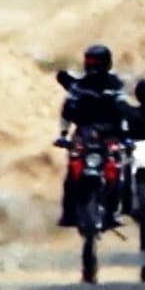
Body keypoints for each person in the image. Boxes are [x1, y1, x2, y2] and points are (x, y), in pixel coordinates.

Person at [54, 45, 131, 228]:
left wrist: (126, 136)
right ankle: (69, 213)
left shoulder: (115, 84)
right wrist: (63, 135)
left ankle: (113, 212)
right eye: (89, 61)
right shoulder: (79, 85)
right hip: (84, 133)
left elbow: (124, 112)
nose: (92, 66)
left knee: (117, 171)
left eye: (96, 62)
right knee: (72, 172)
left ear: (106, 63)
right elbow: (67, 110)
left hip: (110, 135)